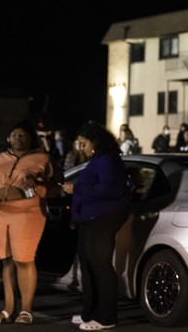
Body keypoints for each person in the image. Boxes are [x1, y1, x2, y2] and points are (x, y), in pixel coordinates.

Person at [0, 121, 58, 325]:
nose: (18, 138)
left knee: (24, 259)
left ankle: (26, 310)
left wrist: (36, 187)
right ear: (8, 138)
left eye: (22, 135)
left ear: (31, 137)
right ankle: (8, 309)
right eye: (14, 135)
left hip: (27, 213)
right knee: (6, 261)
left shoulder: (42, 159)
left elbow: (56, 186)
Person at [62, 121, 131, 331]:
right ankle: (89, 313)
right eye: (79, 144)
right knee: (89, 267)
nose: (81, 148)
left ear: (96, 142)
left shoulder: (109, 160)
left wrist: (77, 189)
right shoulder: (98, 160)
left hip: (103, 218)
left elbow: (108, 189)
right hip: (90, 219)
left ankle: (106, 317)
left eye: (84, 144)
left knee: (101, 266)